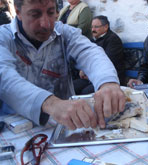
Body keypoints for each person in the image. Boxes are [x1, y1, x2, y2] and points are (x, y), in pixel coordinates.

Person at [0, 0, 126, 130]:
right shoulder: (3, 37)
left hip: (68, 126)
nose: (46, 24)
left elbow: (90, 52)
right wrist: (51, 104)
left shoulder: (64, 33)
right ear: (18, 12)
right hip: (13, 129)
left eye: (50, 13)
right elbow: (4, 77)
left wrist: (107, 82)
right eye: (35, 14)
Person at [73, 15, 125, 95]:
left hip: (109, 79)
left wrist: (89, 73)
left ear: (106, 27)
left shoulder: (113, 40)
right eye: (92, 27)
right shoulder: (92, 39)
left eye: (96, 27)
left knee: (86, 92)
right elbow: (85, 57)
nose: (93, 30)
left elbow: (108, 62)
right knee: (72, 87)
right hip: (91, 76)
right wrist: (82, 70)